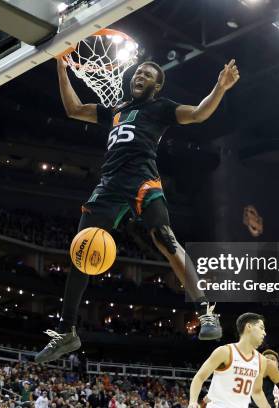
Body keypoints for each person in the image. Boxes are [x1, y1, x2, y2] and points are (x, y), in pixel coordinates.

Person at [35, 54, 241, 363]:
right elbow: (74, 109)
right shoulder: (116, 110)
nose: (138, 76)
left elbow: (198, 114)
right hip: (109, 185)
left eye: (146, 74)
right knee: (80, 253)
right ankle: (66, 332)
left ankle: (206, 312)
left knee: (165, 238)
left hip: (143, 180)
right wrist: (62, 70)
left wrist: (220, 88)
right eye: (137, 73)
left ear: (156, 85)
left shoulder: (160, 108)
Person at [188, 313, 279, 408]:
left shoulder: (261, 361)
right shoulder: (225, 352)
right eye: (261, 328)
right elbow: (199, 377)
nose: (264, 332)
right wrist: (193, 401)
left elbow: (257, 392)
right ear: (249, 327)